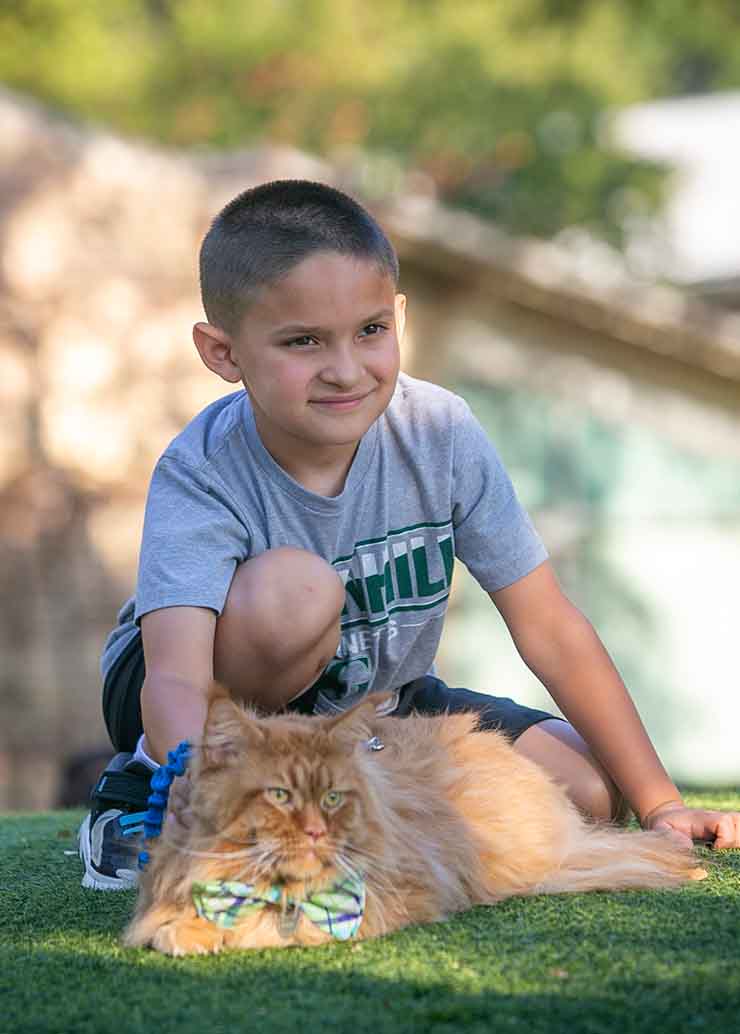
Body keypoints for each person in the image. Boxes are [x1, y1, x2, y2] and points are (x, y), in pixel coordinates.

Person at [79, 179, 740, 891]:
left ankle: (357, 774)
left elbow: (548, 623)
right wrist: (197, 799)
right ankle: (137, 799)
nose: (345, 368)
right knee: (296, 592)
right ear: (223, 353)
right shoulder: (202, 469)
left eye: (370, 330)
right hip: (203, 692)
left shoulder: (440, 431)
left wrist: (661, 803)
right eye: (303, 341)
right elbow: (178, 675)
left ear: (398, 318)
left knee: (588, 794)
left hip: (382, 697)